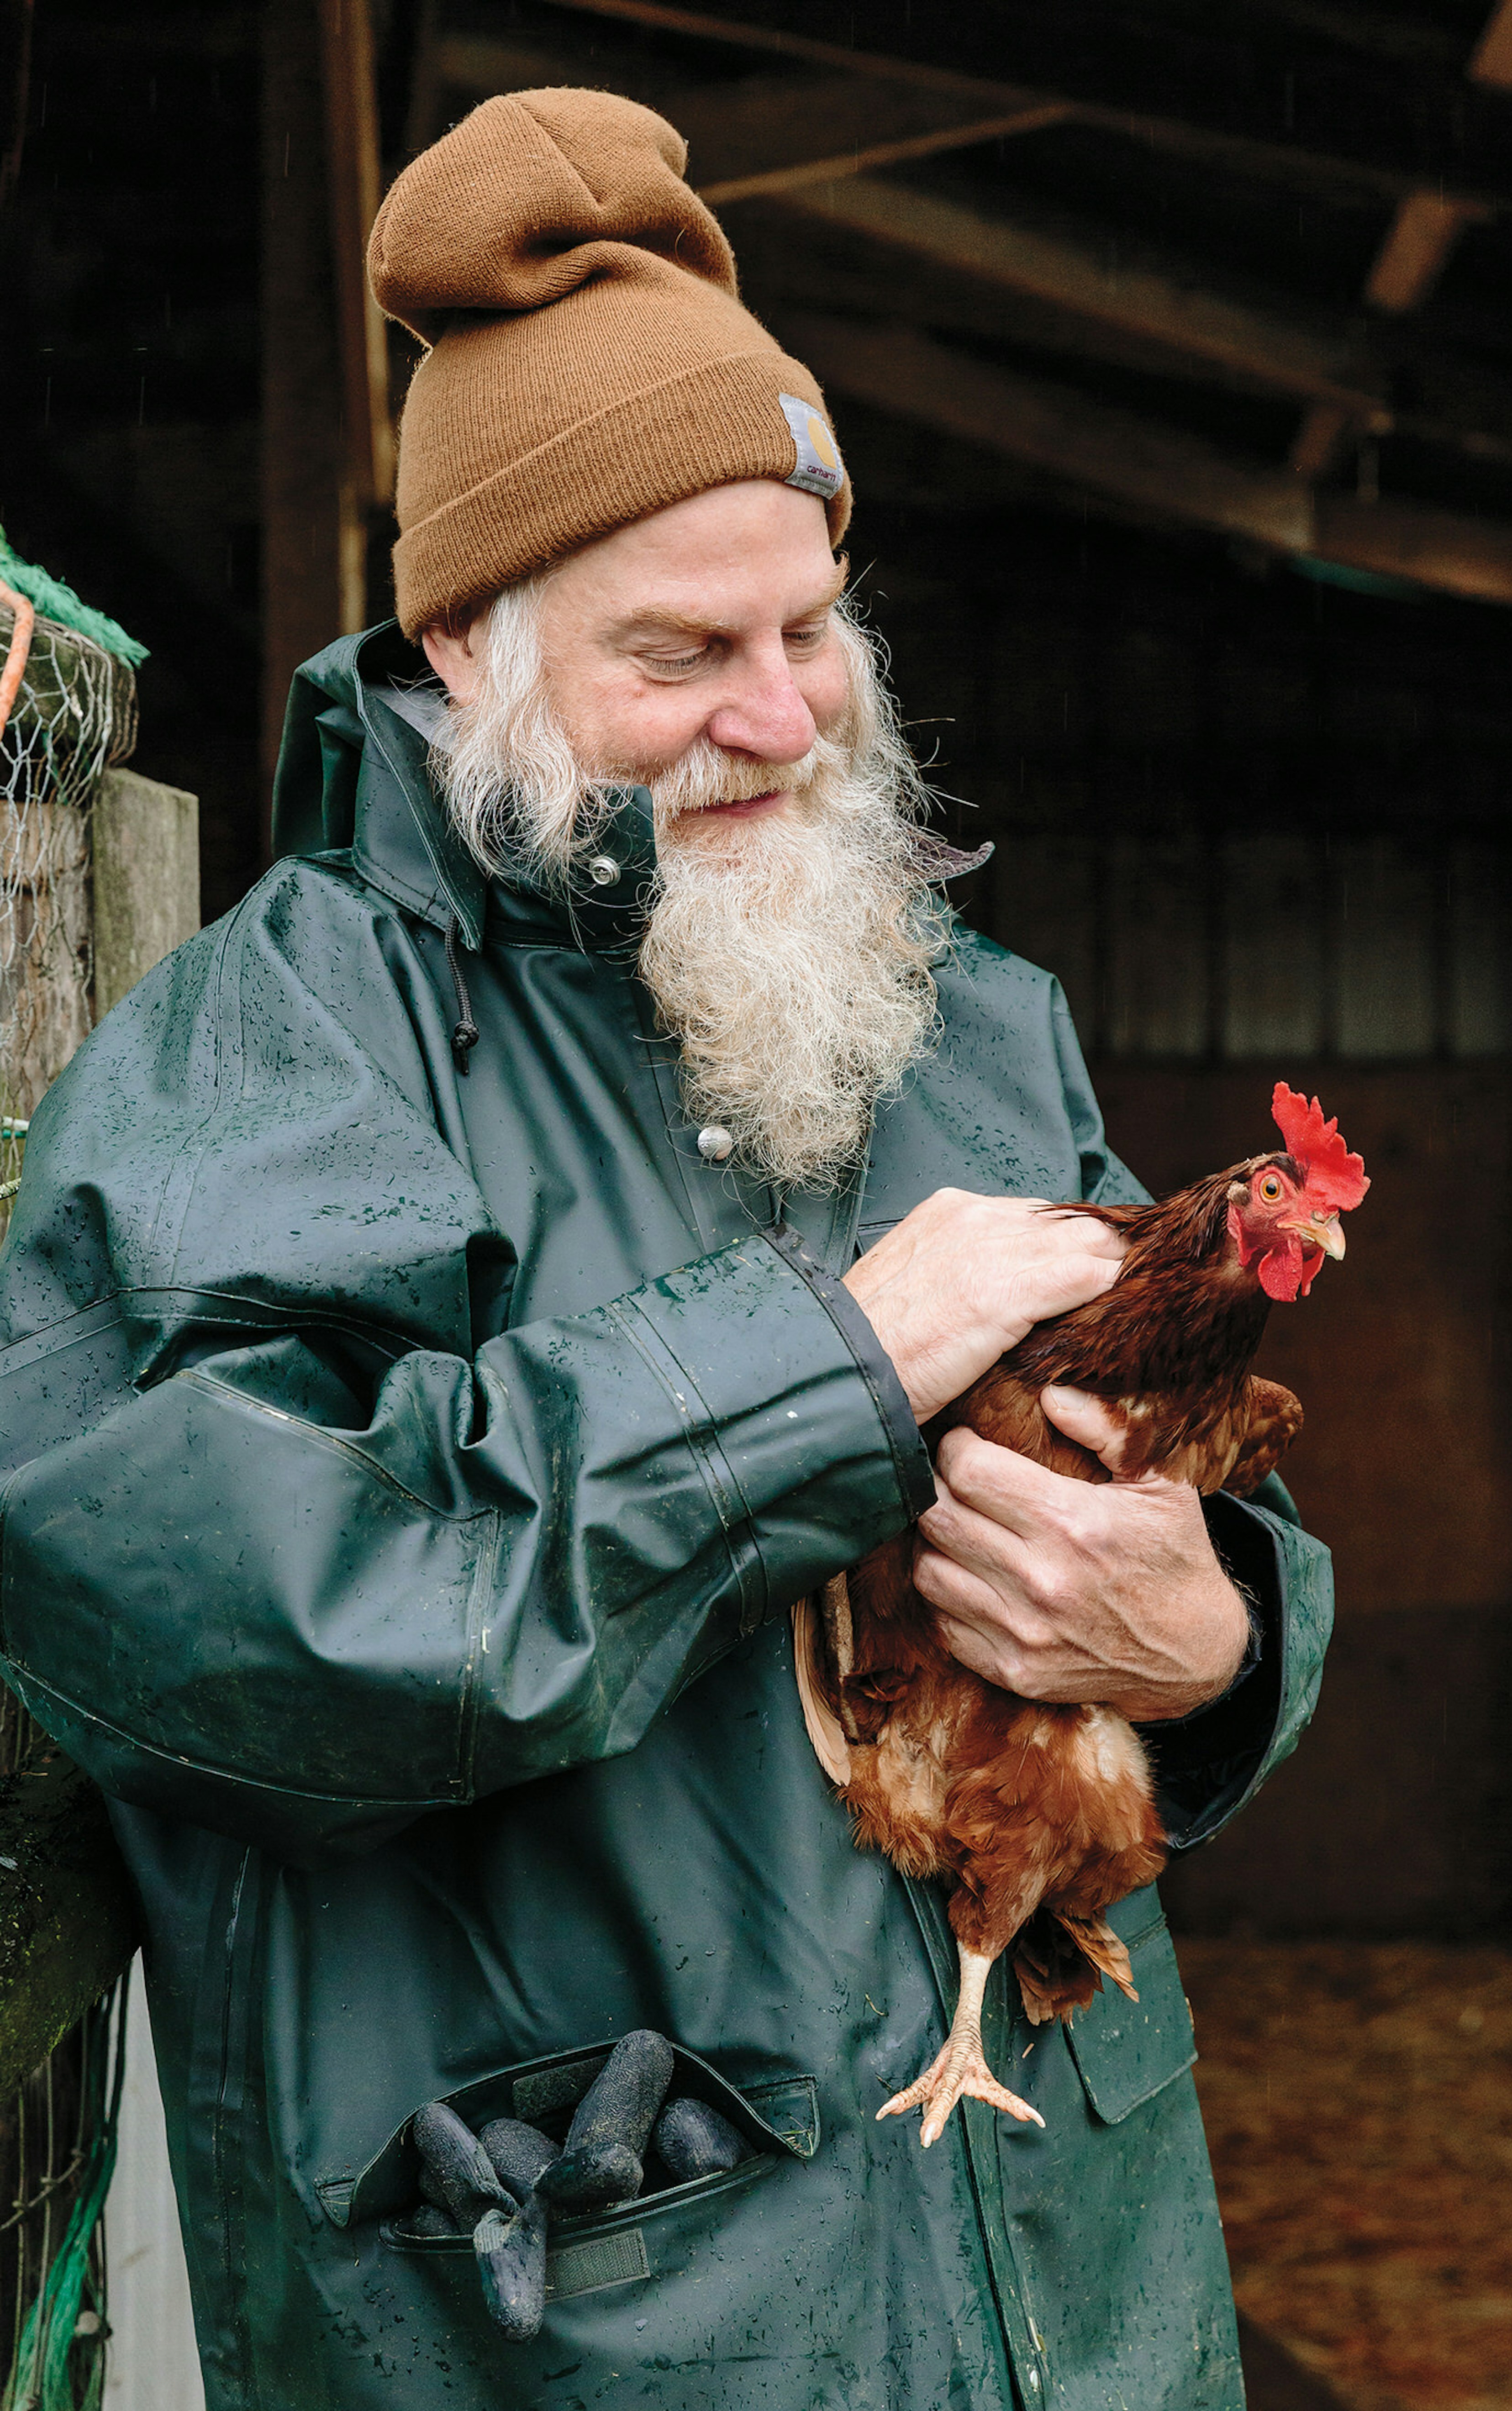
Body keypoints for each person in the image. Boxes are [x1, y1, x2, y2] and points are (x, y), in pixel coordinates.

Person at [0, 88, 1331, 2411]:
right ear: (461, 641)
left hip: (1079, 2310)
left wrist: (1221, 1643)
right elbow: (206, 1617)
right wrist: (828, 1371)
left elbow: (1210, 1532)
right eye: (679, 651)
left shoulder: (968, 1023)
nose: (782, 714)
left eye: (812, 624)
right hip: (606, 2313)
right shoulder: (289, 1045)